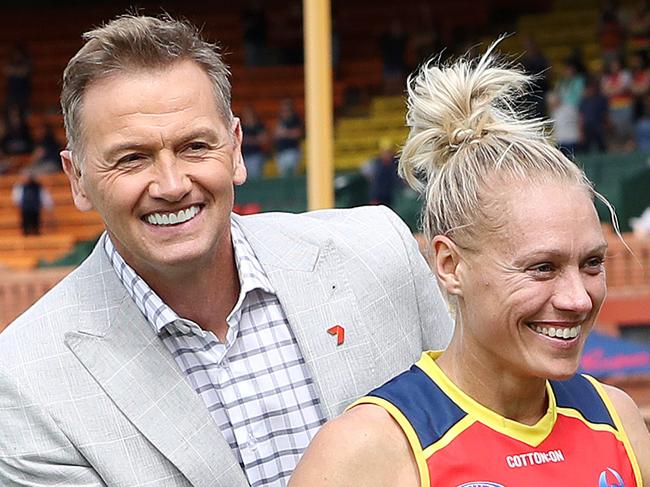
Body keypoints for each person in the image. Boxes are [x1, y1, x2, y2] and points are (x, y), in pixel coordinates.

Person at [0, 14, 453, 487]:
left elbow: (479, 445)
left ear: (235, 150)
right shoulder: (26, 381)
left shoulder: (380, 254)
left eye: (195, 146)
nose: (172, 185)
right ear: (77, 180)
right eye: (132, 158)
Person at [290, 42, 650, 487]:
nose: (577, 298)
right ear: (449, 265)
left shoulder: (617, 421)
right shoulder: (371, 450)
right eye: (542, 267)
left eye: (592, 263)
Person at [361, 137, 401, 208]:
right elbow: (365, 172)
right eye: (385, 152)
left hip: (392, 197)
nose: (386, 154)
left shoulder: (396, 164)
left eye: (389, 152)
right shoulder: (376, 163)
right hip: (378, 196)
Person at [273, 98, 303, 176]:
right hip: (280, 152)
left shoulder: (295, 119)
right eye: (283, 108)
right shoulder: (281, 119)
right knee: (283, 176)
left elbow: (298, 133)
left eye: (286, 108)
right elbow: (276, 134)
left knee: (292, 175)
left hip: (292, 151)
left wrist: (285, 133)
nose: (284, 110)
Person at [240, 105, 268, 179]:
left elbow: (263, 139)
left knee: (255, 177)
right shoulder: (242, 127)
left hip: (256, 156)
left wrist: (250, 140)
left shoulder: (259, 126)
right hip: (243, 157)